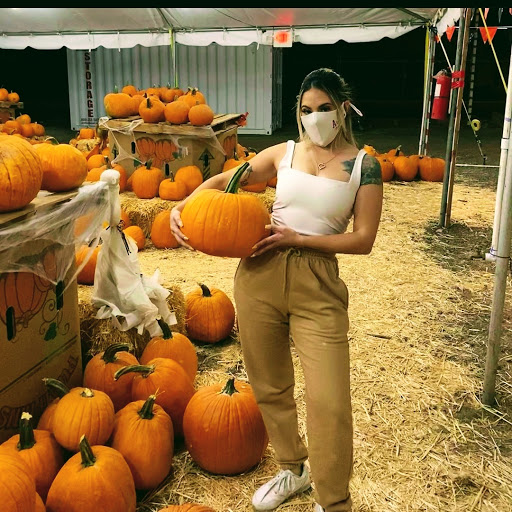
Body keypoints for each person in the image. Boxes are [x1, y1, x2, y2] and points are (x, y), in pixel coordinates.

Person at [170, 68, 383, 512]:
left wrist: (299, 240)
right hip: (259, 275)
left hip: (317, 283)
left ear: (344, 109)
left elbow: (363, 239)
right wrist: (186, 204)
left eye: (325, 108)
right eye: (306, 110)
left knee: (329, 401)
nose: (315, 117)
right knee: (269, 385)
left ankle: (334, 500)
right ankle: (293, 468)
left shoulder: (364, 165)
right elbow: (228, 182)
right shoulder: (283, 153)